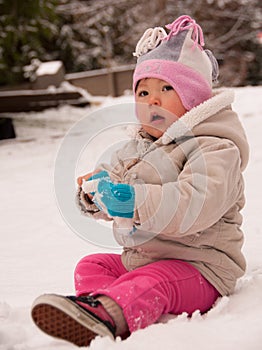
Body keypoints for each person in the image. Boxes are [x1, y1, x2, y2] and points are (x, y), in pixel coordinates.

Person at [31, 15, 249, 347]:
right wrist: (98, 194)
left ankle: (109, 315)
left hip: (202, 268)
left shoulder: (215, 147)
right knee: (92, 264)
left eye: (166, 89)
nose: (153, 100)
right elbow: (117, 182)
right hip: (147, 258)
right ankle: (95, 309)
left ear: (194, 100)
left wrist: (135, 201)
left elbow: (196, 203)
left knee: (152, 281)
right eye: (143, 92)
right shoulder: (138, 148)